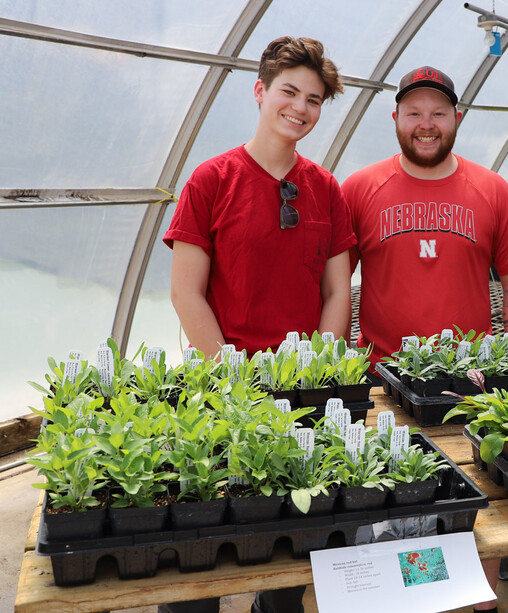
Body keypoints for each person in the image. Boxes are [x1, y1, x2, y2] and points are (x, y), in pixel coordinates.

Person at [162, 36, 353, 613]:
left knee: (285, 547)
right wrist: (232, 377)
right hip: (221, 389)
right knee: (200, 545)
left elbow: (338, 289)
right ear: (260, 91)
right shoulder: (211, 180)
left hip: (299, 395)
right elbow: (185, 292)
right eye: (289, 92)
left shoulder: (326, 190)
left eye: (314, 99)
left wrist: (315, 371)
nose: (300, 107)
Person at [342, 65, 508, 613]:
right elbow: (335, 284)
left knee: (479, 511)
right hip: (384, 388)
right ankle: (407, 601)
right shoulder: (359, 189)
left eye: (437, 113)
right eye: (414, 114)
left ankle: (478, 603)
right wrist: (340, 371)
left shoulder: (491, 189)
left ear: (457, 118)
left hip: (471, 387)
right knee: (392, 508)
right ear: (396, 118)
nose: (425, 125)